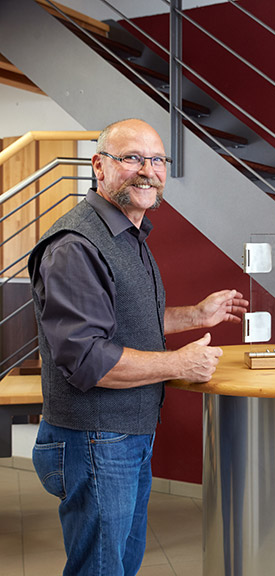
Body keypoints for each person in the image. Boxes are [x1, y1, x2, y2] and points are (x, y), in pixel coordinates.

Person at [28, 118, 248, 576]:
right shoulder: (76, 246)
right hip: (95, 438)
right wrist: (179, 362)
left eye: (156, 160)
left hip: (123, 435)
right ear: (99, 167)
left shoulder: (128, 233)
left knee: (120, 565)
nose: (147, 170)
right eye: (131, 158)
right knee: (102, 568)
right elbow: (89, 358)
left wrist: (196, 316)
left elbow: (123, 323)